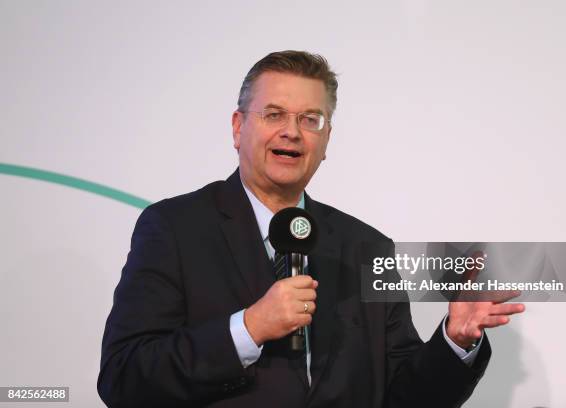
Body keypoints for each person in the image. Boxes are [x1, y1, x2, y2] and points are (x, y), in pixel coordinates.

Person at [97, 51, 525, 408]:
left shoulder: (367, 247)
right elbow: (124, 379)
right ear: (237, 127)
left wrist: (453, 339)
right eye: (274, 114)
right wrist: (247, 329)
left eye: (310, 119)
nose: (292, 131)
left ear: (327, 139)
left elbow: (404, 397)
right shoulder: (174, 228)